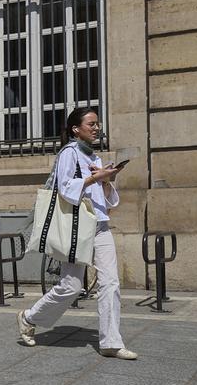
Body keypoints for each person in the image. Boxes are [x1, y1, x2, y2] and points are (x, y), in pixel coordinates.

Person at [16, 106, 137, 360]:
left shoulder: (94, 156)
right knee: (71, 286)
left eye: (97, 124)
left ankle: (111, 343)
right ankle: (29, 317)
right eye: (91, 124)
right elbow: (65, 188)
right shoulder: (69, 153)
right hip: (77, 228)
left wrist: (106, 179)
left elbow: (107, 199)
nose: (96, 128)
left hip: (100, 225)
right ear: (76, 129)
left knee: (111, 282)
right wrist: (96, 178)